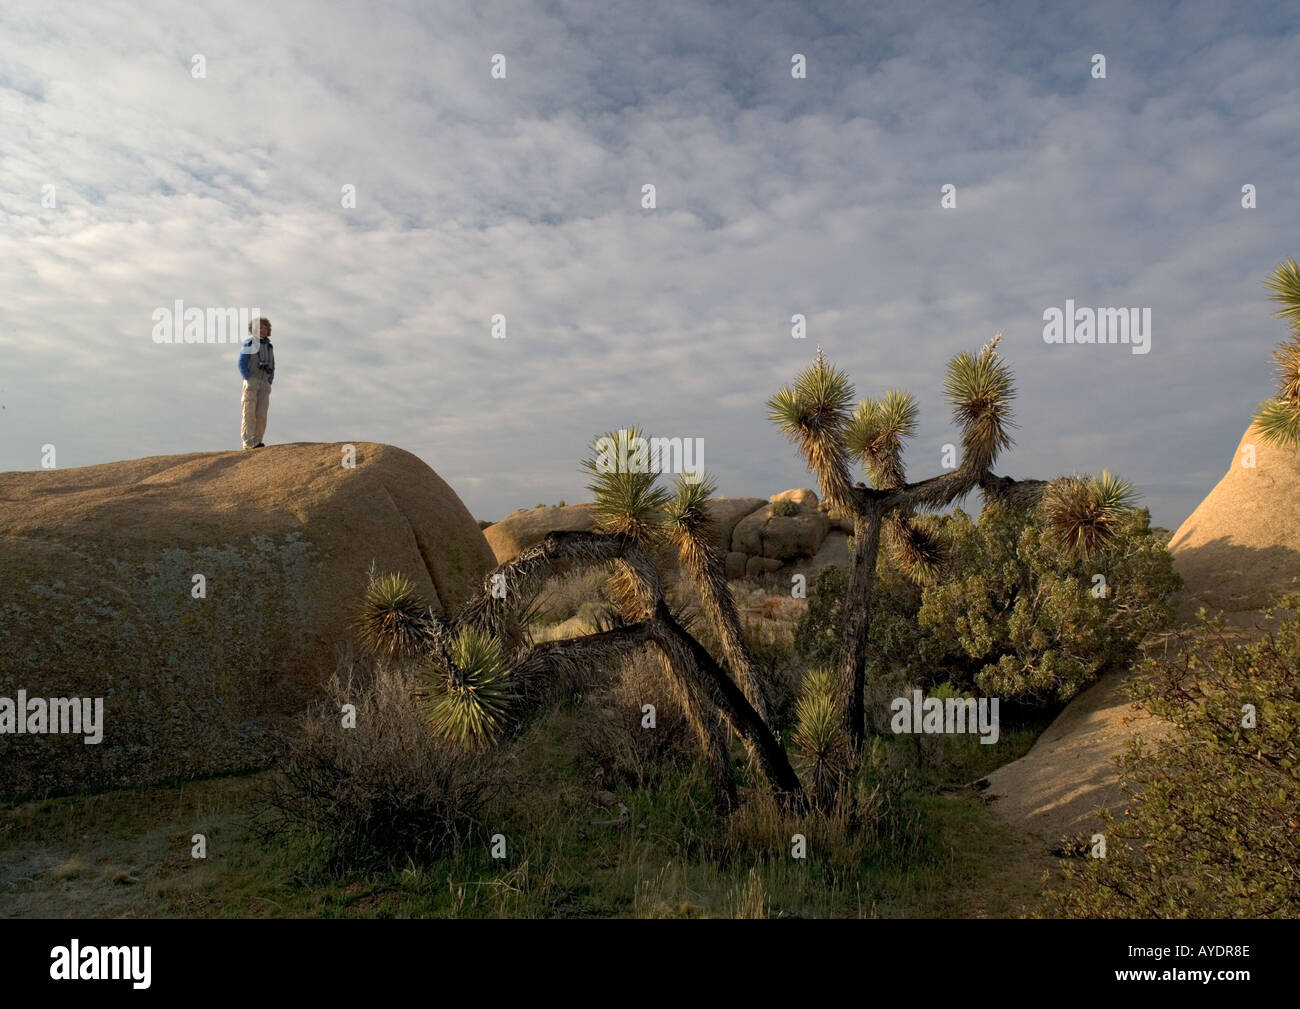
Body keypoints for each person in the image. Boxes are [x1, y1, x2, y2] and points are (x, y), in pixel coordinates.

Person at [238, 316, 275, 449]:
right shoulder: (249, 344)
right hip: (252, 381)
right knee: (249, 412)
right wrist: (247, 377)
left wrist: (270, 380)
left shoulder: (269, 346)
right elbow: (242, 362)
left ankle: (258, 441)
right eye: (260, 327)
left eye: (265, 328)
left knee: (261, 414)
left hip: (264, 383)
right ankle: (248, 442)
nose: (263, 330)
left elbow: (272, 364)